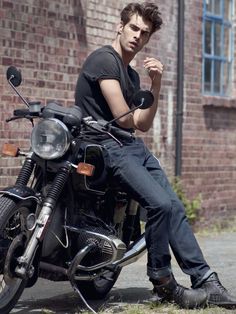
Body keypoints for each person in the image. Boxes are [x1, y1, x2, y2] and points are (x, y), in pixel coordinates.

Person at [75, 2, 236, 309]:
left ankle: (206, 280)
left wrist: (156, 83)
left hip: (130, 146)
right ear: (120, 27)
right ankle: (162, 280)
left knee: (174, 205)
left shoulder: (132, 77)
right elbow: (124, 118)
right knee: (160, 204)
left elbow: (143, 125)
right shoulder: (103, 60)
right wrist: (134, 115)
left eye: (144, 33)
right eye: (133, 28)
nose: (137, 36)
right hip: (105, 146)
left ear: (148, 40)